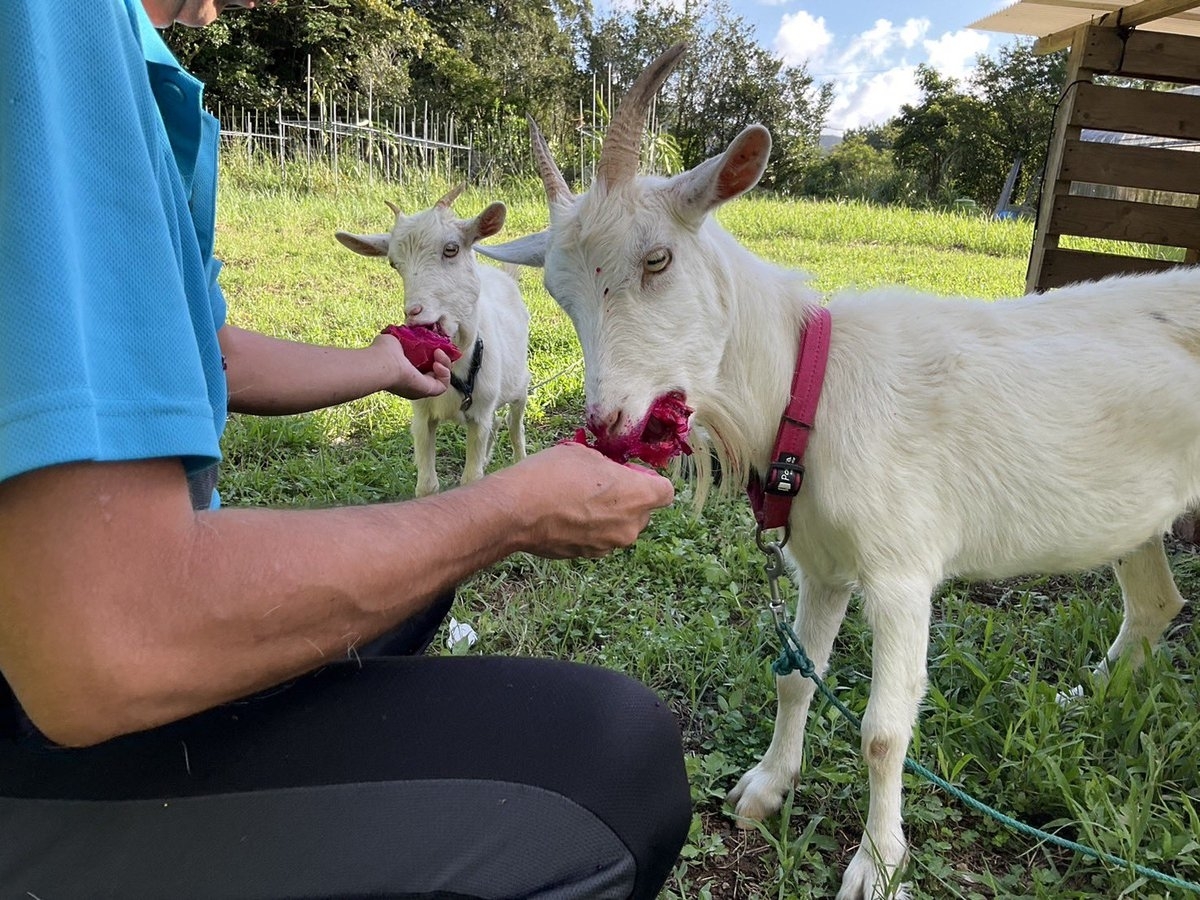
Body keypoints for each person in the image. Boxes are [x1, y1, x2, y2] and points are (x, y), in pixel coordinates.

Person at [0, 2, 692, 897]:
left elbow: (199, 345)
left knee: (415, 583)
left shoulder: (134, 55)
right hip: (37, 719)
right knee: (621, 764)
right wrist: (511, 508)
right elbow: (101, 638)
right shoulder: (52, 27)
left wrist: (379, 363)